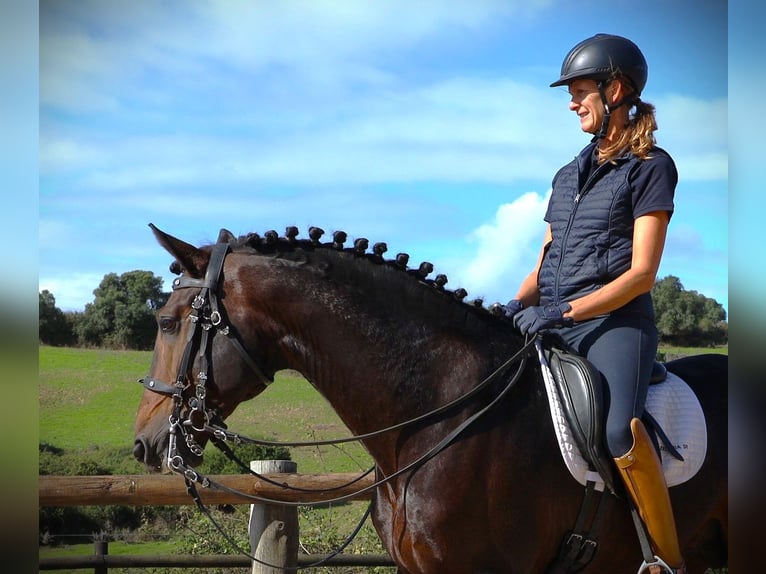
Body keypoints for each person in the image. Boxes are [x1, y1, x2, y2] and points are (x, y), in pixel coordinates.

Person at [504, 34, 685, 574]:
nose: (572, 102)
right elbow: (544, 263)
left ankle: (665, 559)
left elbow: (642, 275)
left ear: (618, 90)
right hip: (553, 319)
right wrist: (510, 308)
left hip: (614, 325)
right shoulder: (565, 176)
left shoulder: (650, 166)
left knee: (615, 430)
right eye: (572, 92)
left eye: (582, 90)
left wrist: (568, 313)